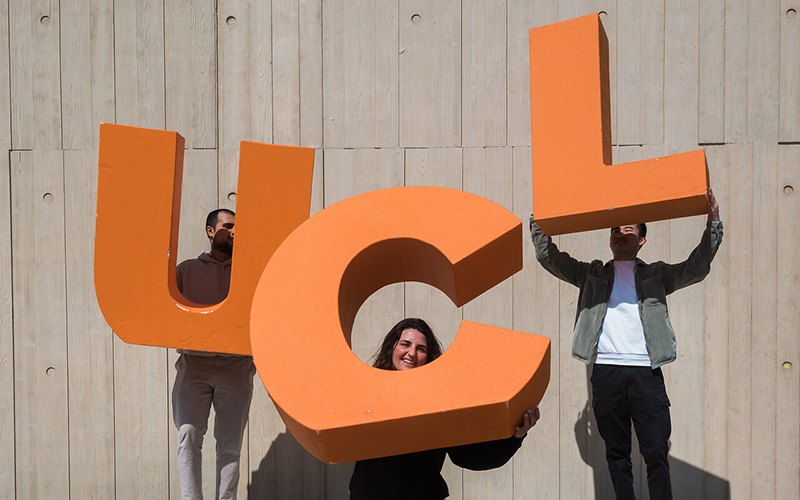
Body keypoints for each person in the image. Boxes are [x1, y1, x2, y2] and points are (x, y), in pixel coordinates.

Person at [529, 188, 723, 500]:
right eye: (616, 230)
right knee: (616, 454)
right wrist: (539, 222)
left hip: (646, 371)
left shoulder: (656, 274)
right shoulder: (592, 273)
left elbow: (695, 268)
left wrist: (713, 226)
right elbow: (549, 257)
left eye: (628, 229)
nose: (620, 233)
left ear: (641, 240)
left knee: (656, 452)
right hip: (606, 372)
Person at [349, 318, 540, 500]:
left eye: (420, 349)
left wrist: (514, 438)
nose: (412, 354)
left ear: (428, 357)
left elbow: (468, 456)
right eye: (405, 344)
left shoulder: (440, 401)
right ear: (392, 347)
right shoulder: (370, 393)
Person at [172, 209, 256, 500]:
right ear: (211, 231)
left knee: (230, 445)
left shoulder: (248, 273)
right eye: (228, 226)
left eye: (238, 228)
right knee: (188, 437)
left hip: (237, 366)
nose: (234, 232)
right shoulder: (185, 270)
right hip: (193, 365)